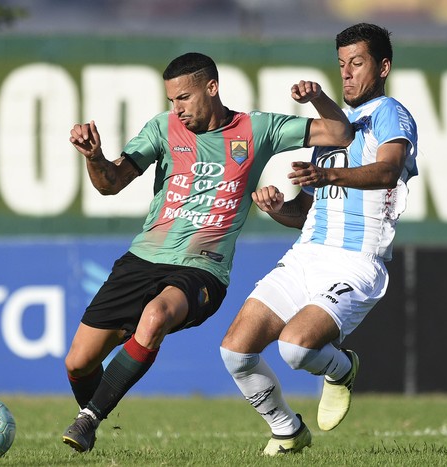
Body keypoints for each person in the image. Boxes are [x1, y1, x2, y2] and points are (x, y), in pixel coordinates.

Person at [61, 52, 353, 453]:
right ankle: (97, 416)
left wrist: (318, 97)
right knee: (77, 363)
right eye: (171, 100)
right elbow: (111, 184)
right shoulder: (162, 130)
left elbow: (340, 133)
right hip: (143, 259)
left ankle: (88, 420)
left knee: (156, 315)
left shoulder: (257, 129)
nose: (176, 109)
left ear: (211, 88)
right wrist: (94, 157)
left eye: (184, 98)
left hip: (203, 270)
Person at [219, 23, 419, 456]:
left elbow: (386, 171)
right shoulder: (333, 131)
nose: (347, 74)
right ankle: (287, 429)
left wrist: (328, 173)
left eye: (358, 63)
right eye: (342, 64)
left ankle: (343, 368)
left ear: (383, 67)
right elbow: (307, 212)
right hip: (306, 256)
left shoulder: (390, 113)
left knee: (295, 348)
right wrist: (277, 209)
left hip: (356, 262)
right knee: (235, 352)